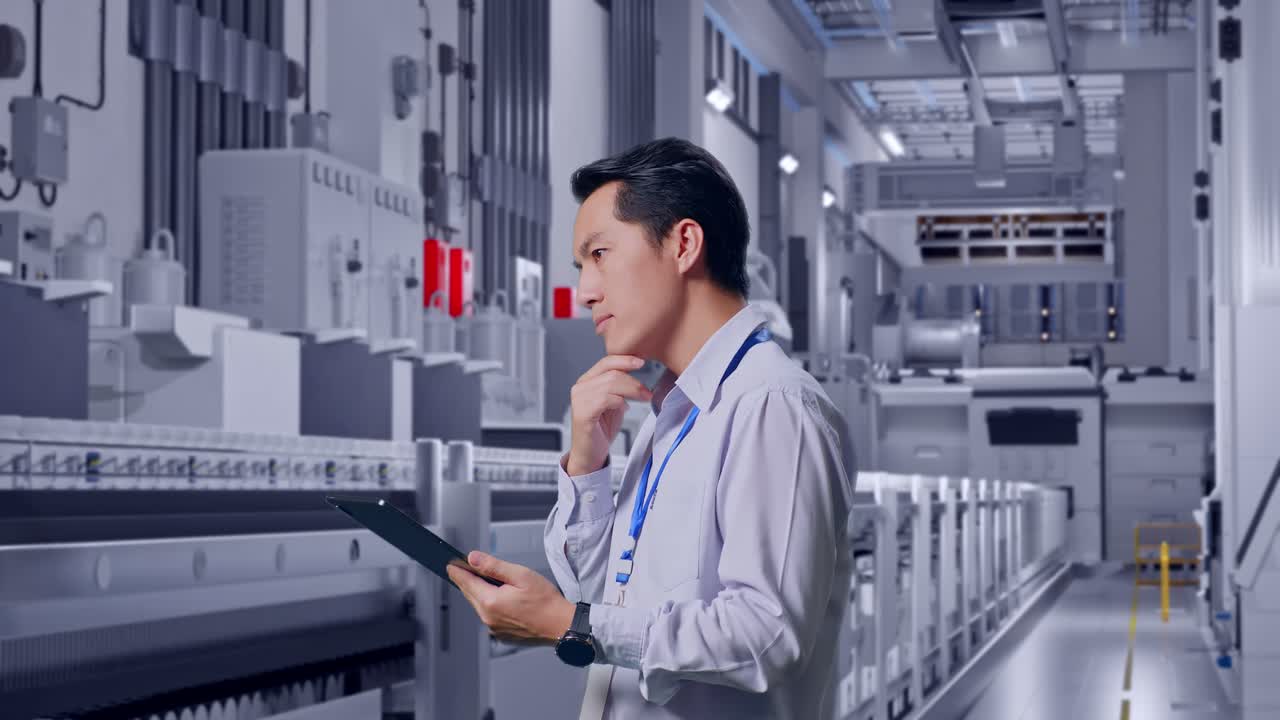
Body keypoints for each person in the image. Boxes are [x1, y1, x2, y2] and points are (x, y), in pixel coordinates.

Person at [446, 137, 854, 719]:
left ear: (684, 243)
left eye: (600, 254)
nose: (585, 290)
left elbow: (766, 636)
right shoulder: (674, 411)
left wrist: (569, 623)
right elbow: (608, 601)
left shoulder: (769, 403)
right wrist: (587, 464)